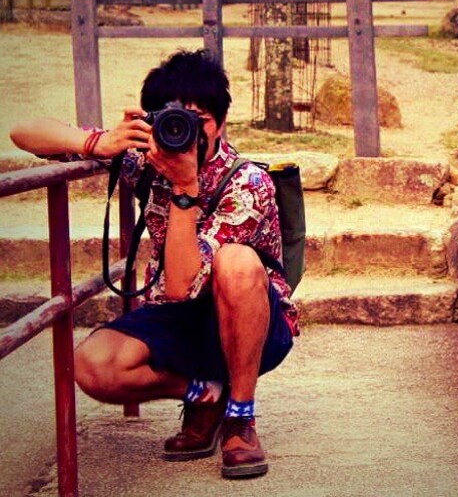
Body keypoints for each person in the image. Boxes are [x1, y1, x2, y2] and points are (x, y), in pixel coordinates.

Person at [10, 49, 299, 479]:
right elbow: (23, 132)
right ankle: (205, 394)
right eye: (171, 120)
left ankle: (240, 418)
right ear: (152, 121)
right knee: (92, 365)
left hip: (255, 323)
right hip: (182, 316)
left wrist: (185, 188)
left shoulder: (247, 182)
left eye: (198, 121)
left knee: (236, 261)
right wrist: (97, 143)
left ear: (221, 122)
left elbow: (184, 284)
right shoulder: (144, 158)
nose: (184, 132)